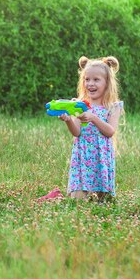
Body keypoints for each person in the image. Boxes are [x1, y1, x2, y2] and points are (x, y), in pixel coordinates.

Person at [39, 56, 124, 202]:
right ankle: (56, 197)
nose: (90, 84)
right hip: (82, 157)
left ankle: (66, 196)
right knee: (77, 201)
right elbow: (77, 132)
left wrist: (93, 118)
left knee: (103, 201)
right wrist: (68, 120)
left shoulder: (113, 106)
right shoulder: (79, 105)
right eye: (87, 79)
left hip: (100, 158)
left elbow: (110, 131)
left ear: (107, 83)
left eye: (96, 80)